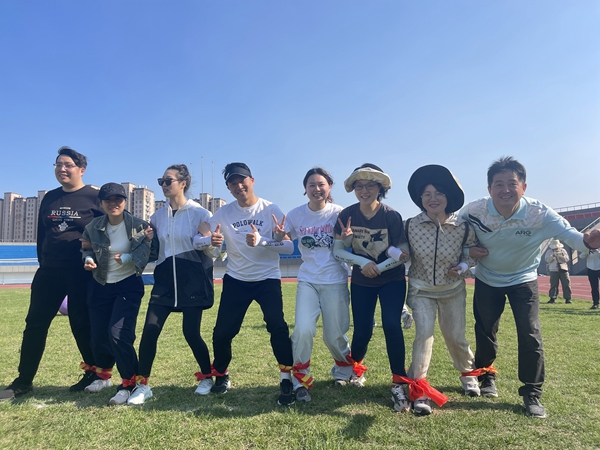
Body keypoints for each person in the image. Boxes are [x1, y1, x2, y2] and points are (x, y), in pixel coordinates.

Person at [461, 156, 600, 419]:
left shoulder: (540, 213)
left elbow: (570, 234)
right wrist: (469, 251)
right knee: (485, 330)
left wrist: (588, 242)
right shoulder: (474, 211)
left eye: (511, 184)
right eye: (498, 184)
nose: (505, 190)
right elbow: (452, 234)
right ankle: (486, 376)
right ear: (489, 189)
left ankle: (532, 393)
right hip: (488, 278)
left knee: (530, 333)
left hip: (523, 279)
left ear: (524, 187)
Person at [0, 146, 104, 401]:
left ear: (81, 169)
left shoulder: (95, 197)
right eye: (58, 164)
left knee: (81, 323)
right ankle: (24, 381)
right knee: (35, 324)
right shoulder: (49, 198)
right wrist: (43, 262)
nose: (62, 169)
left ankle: (94, 374)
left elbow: (111, 228)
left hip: (81, 272)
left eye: (68, 164)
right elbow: (42, 234)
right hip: (49, 271)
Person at [206, 162, 296, 405]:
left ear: (252, 180)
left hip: (267, 278)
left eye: (242, 180)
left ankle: (286, 378)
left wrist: (264, 240)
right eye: (232, 183)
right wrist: (210, 239)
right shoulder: (224, 213)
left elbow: (288, 247)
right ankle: (221, 374)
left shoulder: (270, 209)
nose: (238, 186)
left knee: (277, 327)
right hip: (236, 279)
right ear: (228, 187)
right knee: (223, 332)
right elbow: (203, 234)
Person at [127, 164, 217, 406]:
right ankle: (142, 385)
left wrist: (209, 238)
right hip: (164, 283)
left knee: (191, 333)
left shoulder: (201, 214)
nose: (164, 185)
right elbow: (154, 252)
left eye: (168, 181)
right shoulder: (157, 217)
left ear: (183, 183)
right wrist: (147, 240)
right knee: (150, 331)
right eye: (161, 181)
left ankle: (207, 378)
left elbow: (214, 252)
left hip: (192, 282)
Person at [332, 163, 413, 413]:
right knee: (363, 330)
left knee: (391, 325)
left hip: (392, 280)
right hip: (362, 281)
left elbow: (403, 253)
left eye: (370, 185)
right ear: (353, 188)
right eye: (359, 186)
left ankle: (399, 381)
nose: (364, 191)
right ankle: (355, 368)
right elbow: (337, 250)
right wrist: (362, 263)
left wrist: (378, 266)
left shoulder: (391, 215)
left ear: (380, 188)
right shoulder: (346, 214)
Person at [403, 165, 479, 416]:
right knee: (424, 335)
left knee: (455, 335)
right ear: (420, 198)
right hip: (420, 289)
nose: (432, 198)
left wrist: (463, 267)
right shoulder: (409, 225)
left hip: (453, 289)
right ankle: (419, 389)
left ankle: (468, 375)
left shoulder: (463, 227)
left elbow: (472, 254)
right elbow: (399, 250)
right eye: (427, 194)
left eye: (438, 193)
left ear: (448, 197)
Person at [80, 183, 157, 405]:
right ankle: (103, 376)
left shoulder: (140, 226)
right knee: (98, 335)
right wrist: (88, 259)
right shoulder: (94, 226)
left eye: (118, 199)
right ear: (101, 203)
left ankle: (129, 383)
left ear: (125, 202)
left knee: (118, 334)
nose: (113, 203)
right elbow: (86, 248)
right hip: (100, 284)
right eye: (108, 200)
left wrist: (128, 258)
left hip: (127, 284)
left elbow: (153, 252)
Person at [282, 168, 353, 402]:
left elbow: (349, 245)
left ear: (329, 187)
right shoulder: (295, 215)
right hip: (308, 280)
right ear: (305, 189)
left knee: (334, 335)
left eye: (321, 184)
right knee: (303, 329)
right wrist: (280, 236)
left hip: (335, 279)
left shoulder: (340, 213)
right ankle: (300, 379)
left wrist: (349, 238)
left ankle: (344, 370)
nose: (316, 189)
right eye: (311, 184)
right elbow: (284, 238)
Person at [544, 239, 572, 304]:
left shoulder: (563, 250)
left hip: (563, 269)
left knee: (566, 284)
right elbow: (547, 260)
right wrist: (553, 256)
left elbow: (567, 259)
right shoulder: (549, 252)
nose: (555, 248)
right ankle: (552, 298)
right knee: (553, 285)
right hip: (553, 270)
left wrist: (560, 255)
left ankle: (568, 298)